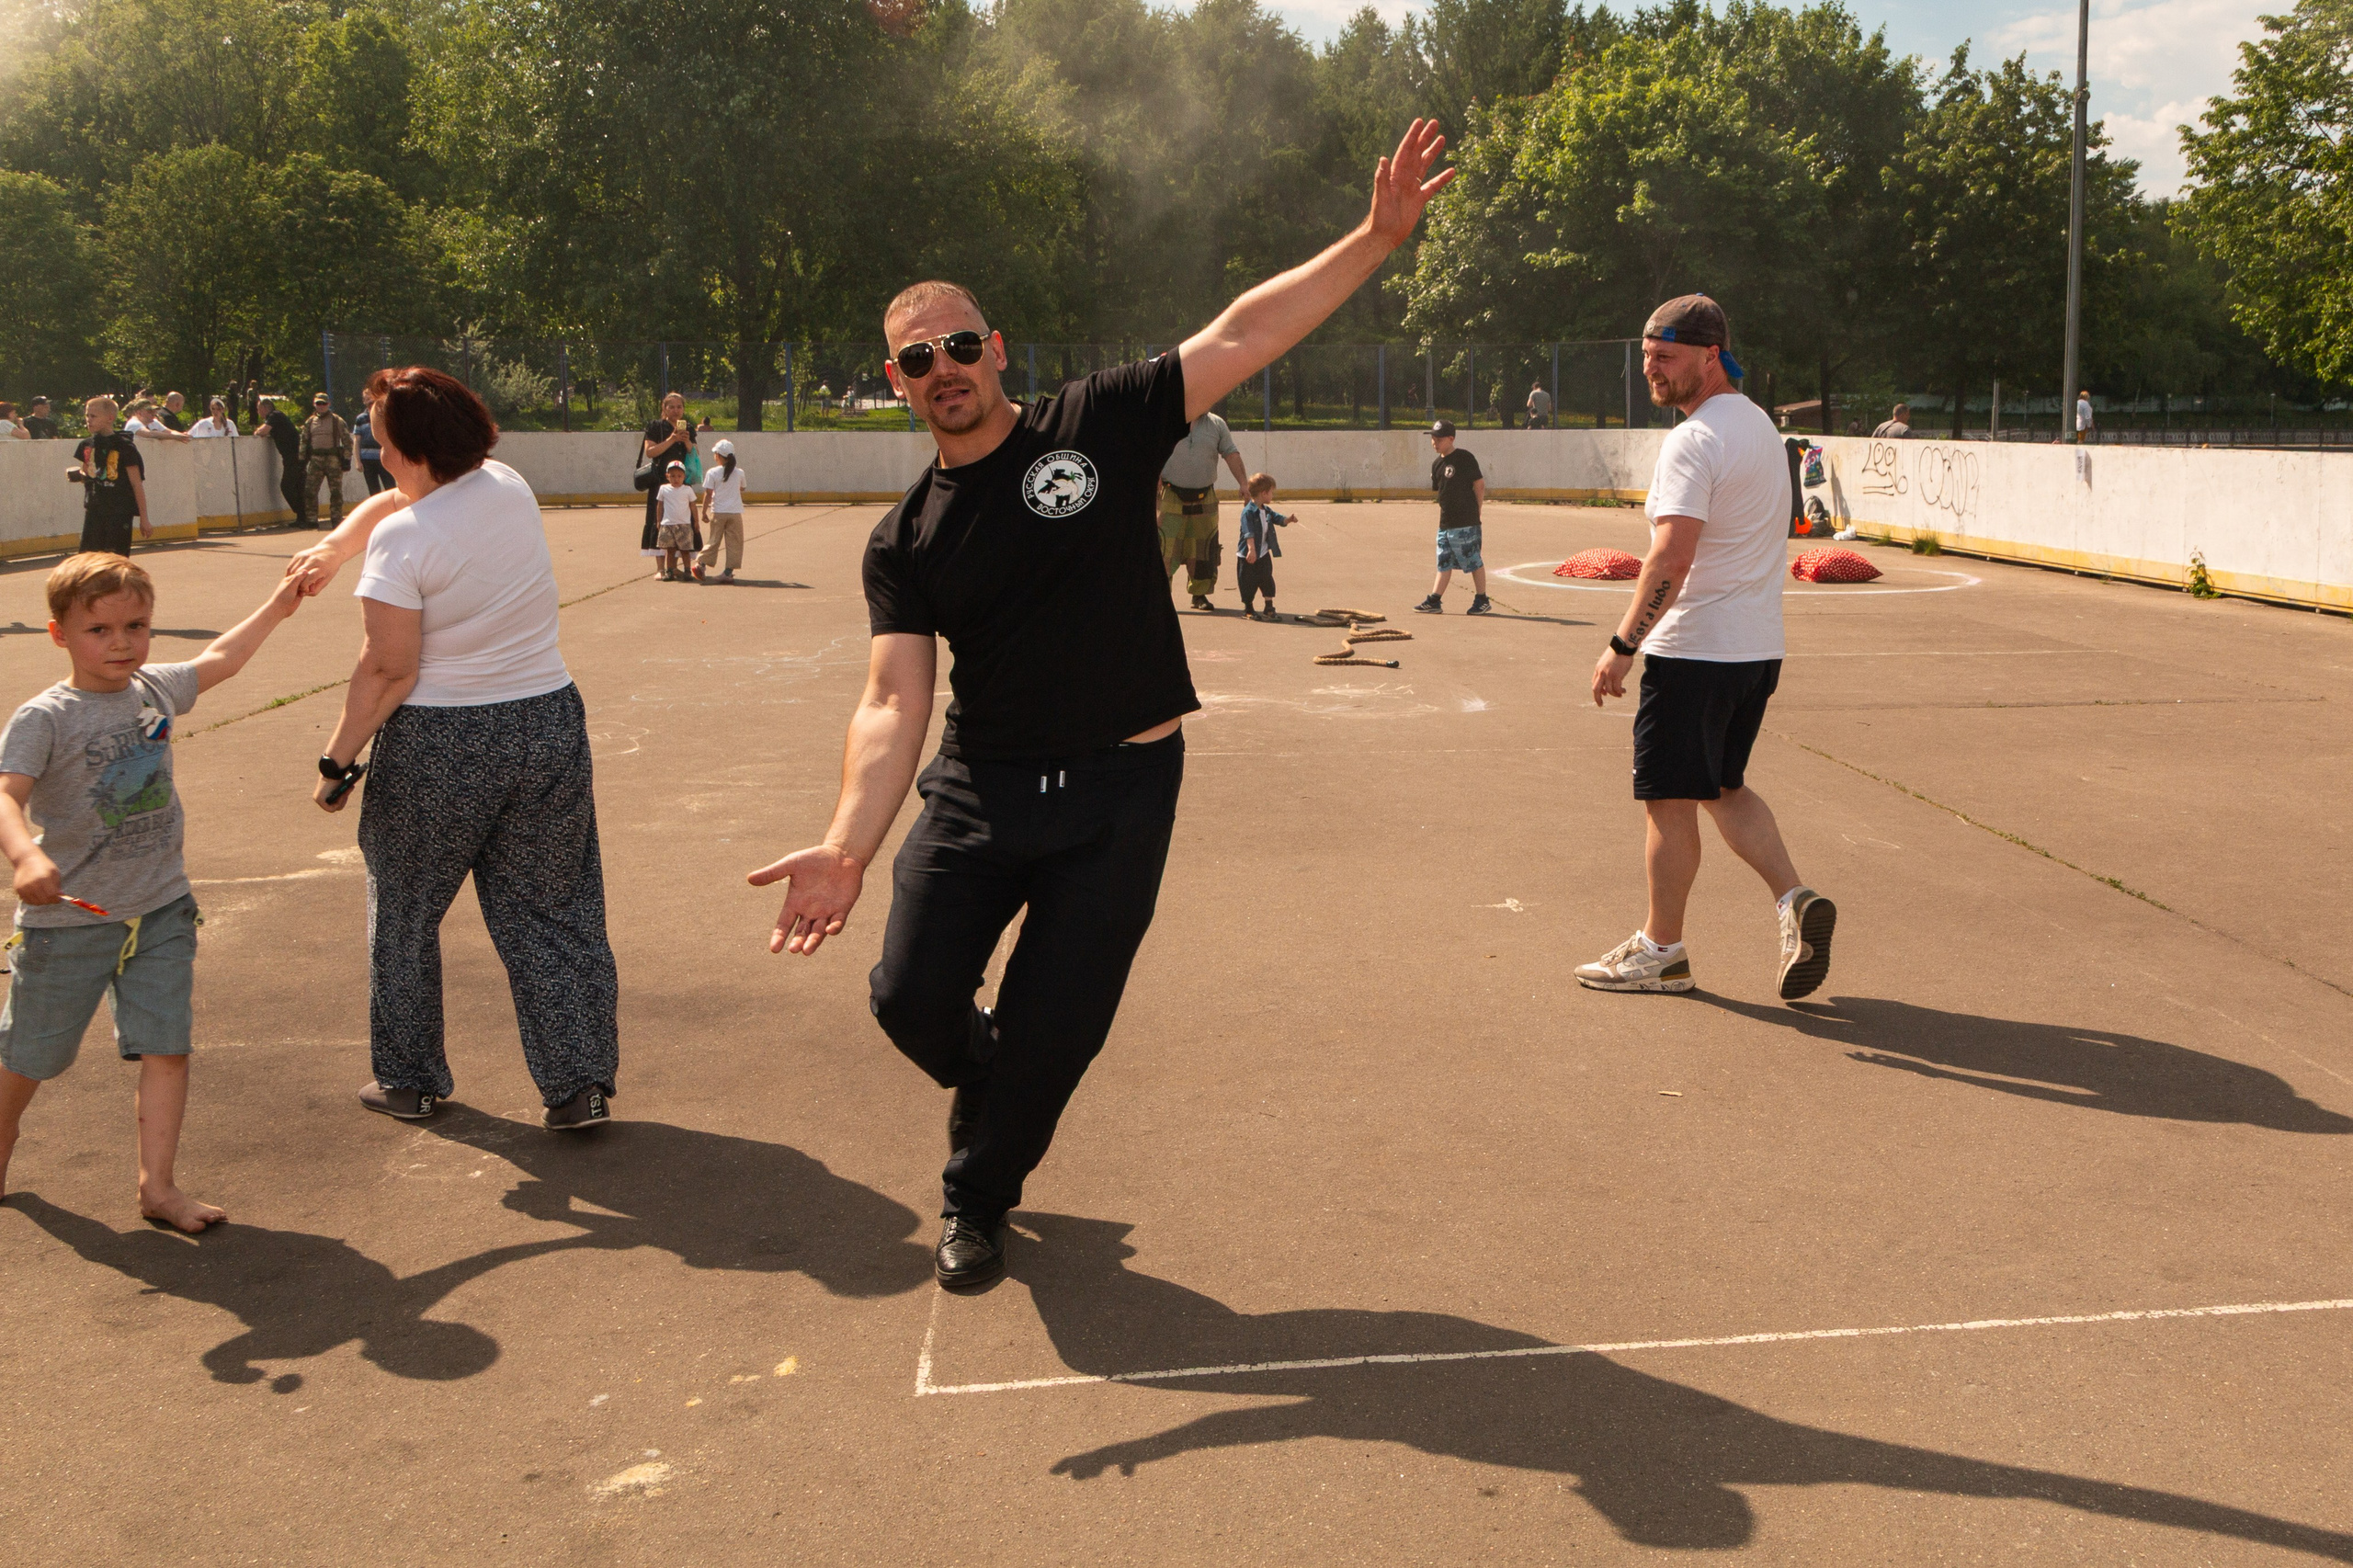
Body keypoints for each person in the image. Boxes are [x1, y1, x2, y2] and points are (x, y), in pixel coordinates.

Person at [747, 119, 1457, 1290]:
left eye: (960, 345)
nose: (944, 370)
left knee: (1056, 1033)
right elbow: (891, 700)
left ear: (996, 348)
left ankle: (976, 1192)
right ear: (896, 382)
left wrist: (1375, 241)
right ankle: (994, 1082)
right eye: (918, 360)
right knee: (908, 996)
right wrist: (843, 845)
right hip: (980, 791)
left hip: (1120, 793)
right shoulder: (905, 537)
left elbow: (1246, 329)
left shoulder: (1101, 423)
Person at [286, 367, 620, 1131]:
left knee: (404, 911)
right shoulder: (506, 483)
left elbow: (387, 669)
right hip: (547, 722)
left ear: (402, 446)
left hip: (443, 740)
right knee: (553, 908)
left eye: (377, 428)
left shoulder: (403, 543)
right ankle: (577, 1085)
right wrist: (337, 547)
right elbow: (400, 501)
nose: (371, 439)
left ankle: (409, 1079)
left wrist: (337, 763)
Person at [0, 554, 305, 1232]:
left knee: (167, 1045)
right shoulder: (45, 717)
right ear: (59, 635)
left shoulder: (153, 691)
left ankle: (158, 1188)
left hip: (162, 907)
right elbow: (6, 795)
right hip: (70, 920)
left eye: (135, 626)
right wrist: (25, 856)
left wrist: (280, 606)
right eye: (98, 630)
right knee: (32, 1055)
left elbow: (223, 656)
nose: (120, 643)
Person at [1578, 294, 1836, 1003]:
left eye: (1665, 358)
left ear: (1709, 355)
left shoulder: (1693, 440)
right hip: (1756, 650)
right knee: (1724, 786)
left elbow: (1670, 558)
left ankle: (1661, 952)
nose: (1652, 371)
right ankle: (1795, 901)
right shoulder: (1756, 427)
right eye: (1646, 358)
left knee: (1668, 800)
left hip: (1695, 651)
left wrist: (1623, 644)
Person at [1159, 408, 1247, 610]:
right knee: (1164, 547)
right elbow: (1151, 451)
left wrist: (1243, 483)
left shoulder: (1216, 424)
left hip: (1205, 497)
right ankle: (1162, 597)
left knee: (1204, 549)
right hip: (1170, 495)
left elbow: (1231, 453)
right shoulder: (1166, 420)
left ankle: (1199, 595)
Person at [1414, 419, 1490, 614]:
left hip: (1466, 522)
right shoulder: (1437, 464)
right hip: (1446, 523)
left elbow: (1479, 485)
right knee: (1444, 562)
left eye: (1439, 439)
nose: (1434, 442)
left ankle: (1482, 599)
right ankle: (1435, 600)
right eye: (1432, 438)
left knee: (1473, 560)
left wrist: (1477, 510)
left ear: (1451, 438)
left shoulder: (1464, 458)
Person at [67, 398, 151, 556]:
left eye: (93, 416)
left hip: (119, 513)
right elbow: (89, 474)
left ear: (110, 418)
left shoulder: (125, 447)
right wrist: (79, 476)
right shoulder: (87, 445)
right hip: (94, 511)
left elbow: (136, 484)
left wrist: (144, 519)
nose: (88, 420)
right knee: (88, 559)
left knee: (115, 560)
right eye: (87, 416)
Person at [639, 392, 694, 566]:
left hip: (681, 482)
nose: (676, 411)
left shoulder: (689, 428)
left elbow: (694, 454)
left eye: (679, 407)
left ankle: (674, 567)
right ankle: (660, 568)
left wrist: (686, 441)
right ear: (664, 408)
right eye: (671, 407)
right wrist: (672, 439)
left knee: (680, 521)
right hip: (660, 482)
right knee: (659, 520)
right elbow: (650, 452)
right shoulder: (656, 427)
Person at [1234, 472, 1290, 619]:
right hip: (1248, 554)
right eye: (1272, 492)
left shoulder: (1266, 510)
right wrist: (1251, 550)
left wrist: (1287, 520)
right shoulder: (1248, 512)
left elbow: (1277, 518)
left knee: (1267, 578)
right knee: (1248, 582)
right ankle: (1248, 609)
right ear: (1264, 493)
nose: (1272, 495)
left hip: (1263, 553)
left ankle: (1269, 607)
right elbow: (1248, 533)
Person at [697, 438, 747, 583]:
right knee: (735, 542)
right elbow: (742, 487)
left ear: (718, 455)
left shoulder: (713, 472)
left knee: (714, 539)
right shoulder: (739, 473)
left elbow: (708, 493)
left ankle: (701, 564)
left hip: (718, 512)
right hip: (735, 512)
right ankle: (728, 572)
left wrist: (703, 511)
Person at [300, 392, 352, 531]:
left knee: (335, 492)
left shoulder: (337, 421)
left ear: (328, 404)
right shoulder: (310, 421)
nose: (321, 406)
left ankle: (336, 519)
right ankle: (311, 519)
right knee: (310, 491)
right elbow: (304, 441)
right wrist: (302, 460)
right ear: (314, 404)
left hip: (333, 459)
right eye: (318, 404)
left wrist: (347, 459)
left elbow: (347, 441)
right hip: (315, 459)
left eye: (323, 404)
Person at [255, 396, 302, 526]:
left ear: (265, 408)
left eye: (259, 410)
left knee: (287, 486)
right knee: (298, 487)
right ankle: (303, 517)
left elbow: (262, 431)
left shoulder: (275, 415)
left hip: (294, 457)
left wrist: (257, 431)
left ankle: (303, 514)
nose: (258, 413)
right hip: (294, 456)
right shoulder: (277, 417)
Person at [654, 460, 697, 581]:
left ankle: (687, 571)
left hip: (684, 524)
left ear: (684, 477)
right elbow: (660, 505)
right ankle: (670, 571)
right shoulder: (663, 489)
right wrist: (658, 520)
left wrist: (696, 521)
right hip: (668, 524)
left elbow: (693, 506)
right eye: (672, 476)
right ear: (667, 476)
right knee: (670, 550)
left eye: (679, 476)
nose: (676, 479)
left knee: (685, 550)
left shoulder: (687, 490)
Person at [354, 402, 390, 494]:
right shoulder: (361, 419)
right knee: (373, 490)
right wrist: (358, 461)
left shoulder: (386, 416)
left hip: (384, 458)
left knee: (390, 487)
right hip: (367, 460)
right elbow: (357, 441)